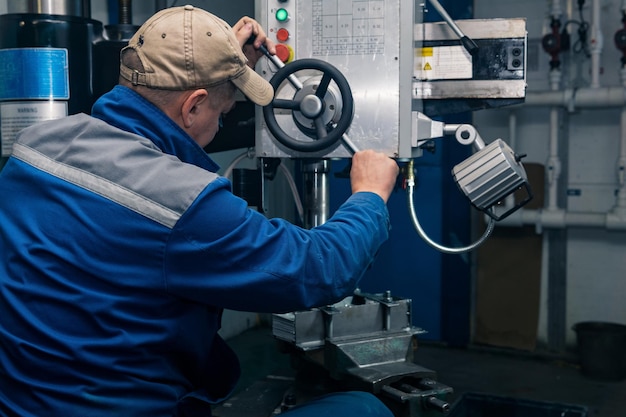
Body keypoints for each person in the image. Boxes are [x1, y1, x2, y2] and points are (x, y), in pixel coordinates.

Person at [0, 5, 399, 417]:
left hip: (22, 405)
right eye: (221, 114)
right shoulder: (184, 207)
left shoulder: (33, 148)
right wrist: (369, 194)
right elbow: (317, 268)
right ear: (192, 107)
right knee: (363, 409)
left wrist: (224, 64)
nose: (220, 127)